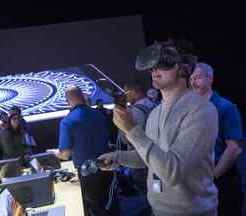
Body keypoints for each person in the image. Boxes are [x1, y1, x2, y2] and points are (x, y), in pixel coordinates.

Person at [99, 39, 219, 216]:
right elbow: (151, 158)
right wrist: (118, 157)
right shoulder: (155, 113)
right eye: (153, 64)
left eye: (164, 61)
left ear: (184, 68)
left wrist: (132, 130)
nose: (154, 68)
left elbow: (172, 172)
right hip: (158, 210)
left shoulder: (202, 110)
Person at [52, 86, 118, 216]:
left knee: (96, 209)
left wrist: (54, 152)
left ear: (67, 101)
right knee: (111, 204)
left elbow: (65, 155)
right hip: (108, 166)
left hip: (89, 172)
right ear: (82, 96)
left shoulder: (67, 121)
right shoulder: (99, 114)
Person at [190, 62, 244, 216]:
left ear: (210, 79)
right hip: (200, 180)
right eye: (192, 79)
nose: (193, 82)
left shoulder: (226, 107)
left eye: (198, 77)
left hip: (221, 179)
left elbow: (234, 148)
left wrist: (213, 176)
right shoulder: (192, 109)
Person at [115, 80, 155, 216]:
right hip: (156, 156)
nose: (125, 96)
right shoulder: (153, 104)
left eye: (126, 93)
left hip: (141, 158)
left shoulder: (134, 111)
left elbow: (126, 138)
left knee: (149, 194)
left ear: (135, 91)